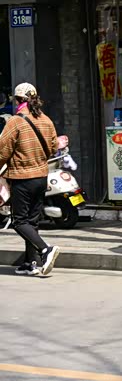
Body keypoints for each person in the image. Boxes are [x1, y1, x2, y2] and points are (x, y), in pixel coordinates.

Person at [0, 83, 60, 276]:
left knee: (19, 222)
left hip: (22, 178)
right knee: (31, 222)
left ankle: (45, 250)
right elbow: (53, 148)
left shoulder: (15, 122)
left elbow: (3, 151)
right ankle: (30, 263)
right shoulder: (46, 120)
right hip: (41, 177)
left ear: (18, 100)